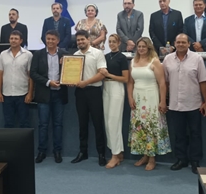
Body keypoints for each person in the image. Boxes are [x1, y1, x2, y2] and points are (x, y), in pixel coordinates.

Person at [162, 33, 206, 174]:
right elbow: (164, 82)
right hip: (175, 104)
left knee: (195, 133)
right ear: (174, 44)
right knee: (179, 134)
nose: (181, 44)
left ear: (189, 44)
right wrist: (164, 100)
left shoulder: (197, 59)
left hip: (193, 103)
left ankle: (195, 161)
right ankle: (181, 159)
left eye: (183, 42)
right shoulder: (168, 59)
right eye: (178, 42)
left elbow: (203, 81)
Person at [127, 37, 171, 171]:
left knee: (151, 126)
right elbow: (130, 82)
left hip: (151, 97)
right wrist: (130, 98)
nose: (141, 49)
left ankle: (152, 158)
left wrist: (163, 101)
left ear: (149, 48)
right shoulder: (133, 62)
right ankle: (145, 155)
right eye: (139, 46)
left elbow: (162, 83)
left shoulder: (155, 61)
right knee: (140, 126)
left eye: (144, 47)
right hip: (137, 97)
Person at [30, 30, 68, 164]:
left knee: (58, 124)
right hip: (44, 93)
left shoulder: (65, 54)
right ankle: (42, 151)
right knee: (43, 124)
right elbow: (33, 73)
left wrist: (65, 65)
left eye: (53, 39)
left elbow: (71, 72)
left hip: (59, 93)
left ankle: (57, 151)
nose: (50, 41)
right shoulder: (38, 54)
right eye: (48, 39)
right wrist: (48, 82)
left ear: (58, 40)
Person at [71, 30, 107, 166]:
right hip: (80, 93)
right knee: (82, 123)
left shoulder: (97, 53)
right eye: (78, 40)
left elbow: (102, 74)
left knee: (98, 123)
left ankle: (101, 154)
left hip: (94, 92)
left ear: (88, 39)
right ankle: (83, 152)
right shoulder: (74, 55)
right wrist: (70, 80)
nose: (80, 42)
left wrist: (86, 82)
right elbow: (72, 75)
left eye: (82, 39)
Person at [100, 34, 129, 169]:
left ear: (119, 43)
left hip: (117, 88)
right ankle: (119, 152)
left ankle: (115, 155)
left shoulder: (122, 58)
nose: (111, 44)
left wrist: (109, 75)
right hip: (106, 88)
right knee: (107, 121)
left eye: (113, 42)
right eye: (109, 42)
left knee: (114, 121)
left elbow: (125, 79)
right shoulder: (105, 57)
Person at [0, 30, 34, 128]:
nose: (13, 41)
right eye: (11, 38)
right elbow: (0, 74)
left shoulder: (28, 55)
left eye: (16, 39)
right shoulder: (3, 54)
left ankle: (24, 144)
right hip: (7, 94)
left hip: (23, 94)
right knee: (8, 123)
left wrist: (30, 93)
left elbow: (31, 76)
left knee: (24, 123)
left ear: (21, 40)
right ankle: (9, 144)